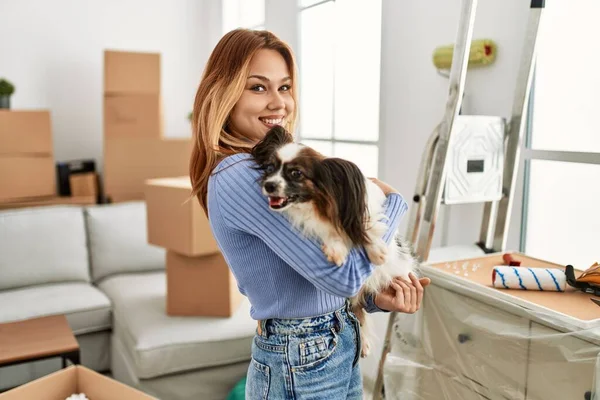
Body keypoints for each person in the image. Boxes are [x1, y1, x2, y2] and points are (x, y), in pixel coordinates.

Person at [189, 28, 430, 399]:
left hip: (328, 345)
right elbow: (344, 279)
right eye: (258, 87)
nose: (278, 103)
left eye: (284, 88)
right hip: (302, 357)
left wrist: (373, 299)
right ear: (223, 93)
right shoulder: (245, 175)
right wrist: (394, 200)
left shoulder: (270, 164)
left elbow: (317, 280)